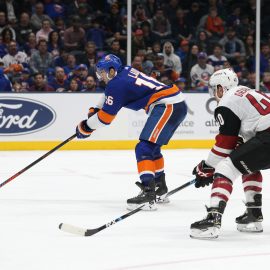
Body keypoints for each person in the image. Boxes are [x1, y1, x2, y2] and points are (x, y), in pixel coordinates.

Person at [75, 54, 187, 210]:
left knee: (143, 148)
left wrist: (86, 127)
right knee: (152, 148)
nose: (100, 76)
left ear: (112, 71)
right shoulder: (125, 70)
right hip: (176, 103)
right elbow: (108, 93)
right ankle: (159, 188)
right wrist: (96, 108)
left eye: (102, 72)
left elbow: (105, 119)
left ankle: (148, 193)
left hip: (167, 105)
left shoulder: (116, 85)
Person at [190, 68, 269, 239]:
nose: (214, 93)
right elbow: (245, 135)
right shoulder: (249, 92)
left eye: (214, 88)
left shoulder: (226, 101)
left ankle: (213, 220)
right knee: (247, 164)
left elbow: (225, 144)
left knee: (225, 168)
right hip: (265, 135)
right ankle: (253, 216)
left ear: (221, 87)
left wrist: (208, 166)